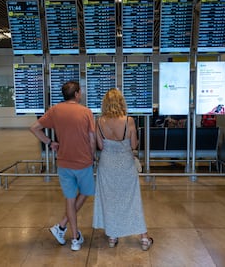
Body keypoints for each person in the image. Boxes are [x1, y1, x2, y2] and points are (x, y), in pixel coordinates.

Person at [29, 81, 96, 251]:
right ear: (76, 94)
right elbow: (92, 138)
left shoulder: (55, 110)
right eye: (80, 92)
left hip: (64, 162)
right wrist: (93, 156)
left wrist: (49, 142)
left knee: (70, 199)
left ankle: (71, 236)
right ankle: (63, 227)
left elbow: (34, 128)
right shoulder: (86, 111)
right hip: (83, 161)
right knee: (86, 192)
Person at [93, 88, 153, 251]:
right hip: (125, 164)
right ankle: (144, 237)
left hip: (107, 164)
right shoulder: (129, 121)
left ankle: (113, 236)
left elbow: (100, 145)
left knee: (111, 200)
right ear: (121, 102)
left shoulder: (99, 121)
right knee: (133, 199)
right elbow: (133, 145)